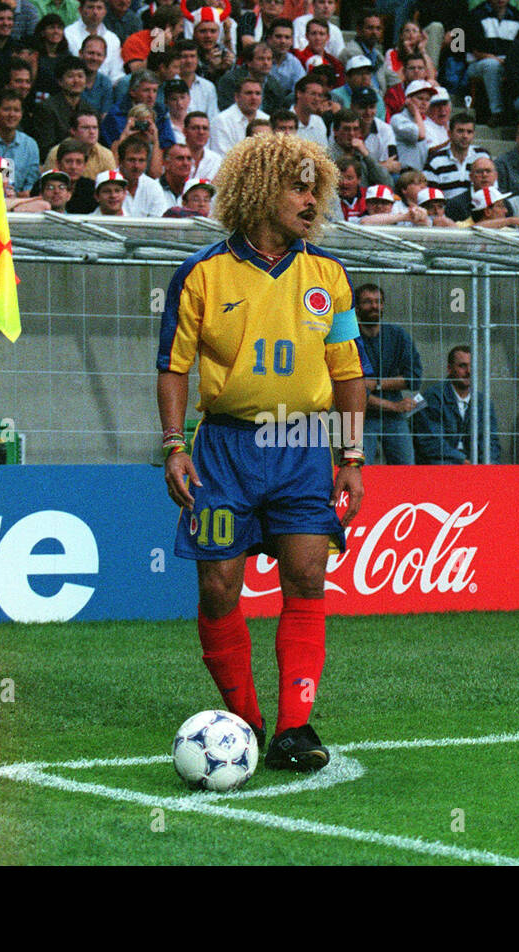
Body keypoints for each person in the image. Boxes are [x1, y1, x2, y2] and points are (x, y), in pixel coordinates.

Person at [156, 132, 367, 772]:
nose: (311, 201)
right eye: (298, 188)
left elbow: (349, 374)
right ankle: (244, 722)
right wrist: (173, 444)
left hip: (301, 445)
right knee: (219, 586)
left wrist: (351, 459)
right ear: (258, 190)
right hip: (225, 448)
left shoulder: (329, 275)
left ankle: (295, 728)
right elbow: (173, 367)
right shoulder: (201, 273)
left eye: (316, 189)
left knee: (306, 576)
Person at [354, 284, 422, 465]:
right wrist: (394, 405)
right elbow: (353, 390)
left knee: (405, 469)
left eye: (378, 301)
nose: (374, 306)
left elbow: (414, 378)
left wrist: (376, 383)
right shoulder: (351, 340)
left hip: (394, 419)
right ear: (357, 308)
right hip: (362, 416)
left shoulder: (397, 335)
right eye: (367, 302)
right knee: (360, 468)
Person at [412, 345, 501, 464]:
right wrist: (462, 461)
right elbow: (430, 442)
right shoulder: (432, 397)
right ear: (449, 369)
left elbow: (491, 441)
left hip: (473, 465)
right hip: (441, 465)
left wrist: (488, 464)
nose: (469, 371)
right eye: (462, 366)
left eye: (472, 366)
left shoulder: (483, 402)